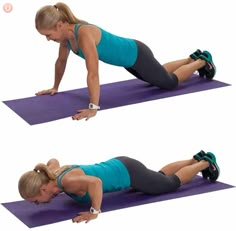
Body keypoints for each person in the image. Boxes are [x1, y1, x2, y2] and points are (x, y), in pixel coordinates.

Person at [35, 2, 216, 121]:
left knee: (169, 82)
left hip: (137, 54)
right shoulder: (65, 39)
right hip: (130, 61)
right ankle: (191, 58)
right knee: (158, 73)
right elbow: (61, 61)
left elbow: (93, 72)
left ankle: (201, 61)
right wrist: (55, 87)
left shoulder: (83, 34)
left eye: (48, 35)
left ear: (59, 25)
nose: (48, 39)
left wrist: (93, 107)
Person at [18, 150, 220, 223]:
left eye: (35, 201)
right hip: (121, 163)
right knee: (157, 176)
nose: (37, 204)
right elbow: (53, 159)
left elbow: (96, 183)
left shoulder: (68, 182)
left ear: (43, 189)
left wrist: (94, 211)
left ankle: (204, 164)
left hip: (128, 173)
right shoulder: (53, 172)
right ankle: (195, 159)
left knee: (169, 183)